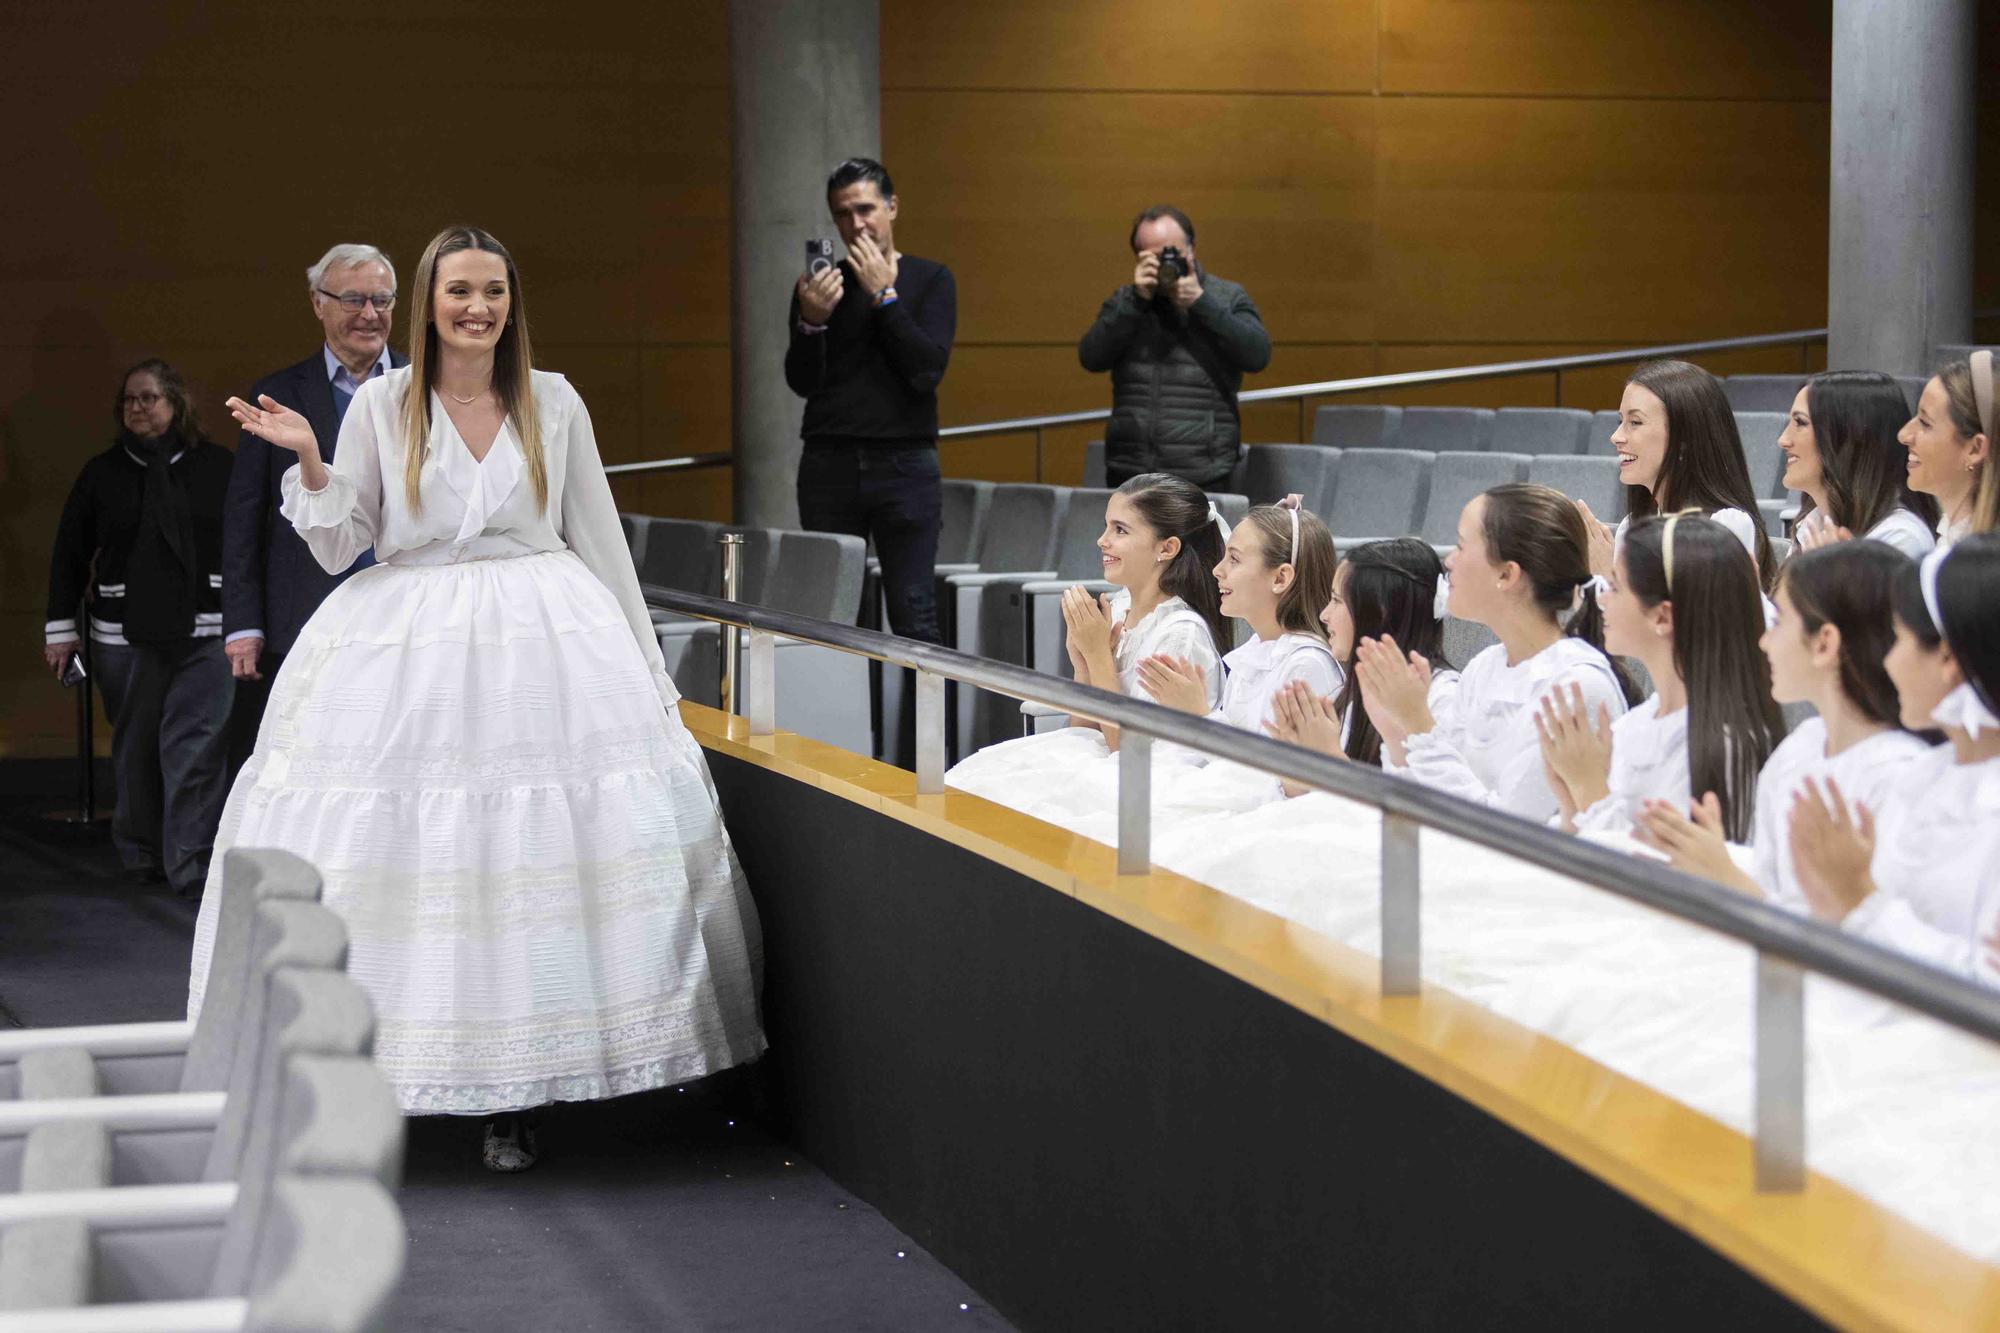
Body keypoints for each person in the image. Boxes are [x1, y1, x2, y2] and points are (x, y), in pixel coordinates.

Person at [189, 226, 765, 1172]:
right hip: (405, 652)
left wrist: (651, 669)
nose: (477, 308)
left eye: (493, 291)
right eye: (459, 290)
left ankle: (520, 1096)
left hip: (545, 646)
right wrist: (309, 459)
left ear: (511, 302)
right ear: (429, 300)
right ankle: (390, 1076)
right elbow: (342, 543)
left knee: (527, 860)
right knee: (411, 860)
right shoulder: (380, 403)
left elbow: (600, 540)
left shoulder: (553, 400)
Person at [1635, 541, 1933, 906]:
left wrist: (1725, 876)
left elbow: (1873, 938)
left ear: (1824, 643)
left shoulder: (1900, 777)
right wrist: (1710, 861)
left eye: (1778, 621)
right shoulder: (1802, 745)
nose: (1763, 641)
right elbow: (1770, 885)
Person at [44, 359, 234, 895]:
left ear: (176, 403)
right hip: (122, 637)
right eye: (129, 400)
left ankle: (191, 862)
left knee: (196, 748)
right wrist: (61, 629)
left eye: (149, 398)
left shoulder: (217, 467)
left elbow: (247, 542)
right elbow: (69, 555)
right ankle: (139, 852)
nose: (138, 408)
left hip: (208, 630)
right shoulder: (102, 474)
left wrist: (249, 620)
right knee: (135, 747)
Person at [222, 243, 407, 773]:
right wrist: (243, 622)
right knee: (308, 762)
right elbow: (245, 517)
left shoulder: (428, 388)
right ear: (317, 303)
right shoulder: (278, 394)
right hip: (304, 612)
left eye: (382, 299)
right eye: (353, 299)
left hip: (407, 616)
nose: (370, 314)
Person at [943, 474, 1227, 811]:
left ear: (1166, 548)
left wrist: (1097, 656)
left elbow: (1132, 753)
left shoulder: (1179, 634)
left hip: (1146, 786)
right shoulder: (1119, 605)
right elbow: (1083, 730)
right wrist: (1084, 669)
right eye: (1107, 527)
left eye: (1120, 530)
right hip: (1105, 762)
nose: (1101, 541)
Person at [1785, 537, 2000, 983]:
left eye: (1898, 639)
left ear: (1946, 658)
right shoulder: (1924, 776)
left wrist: (1861, 900)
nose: (1888, 660)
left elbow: (1982, 987)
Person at [1361, 483, 1636, 821]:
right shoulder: (1483, 667)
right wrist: (1397, 733)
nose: (1449, 561)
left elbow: (1504, 832)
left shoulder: (1576, 687)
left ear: (1507, 574)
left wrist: (1418, 726)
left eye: (1462, 546)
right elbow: (1428, 801)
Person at [787, 157, 956, 645]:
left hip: (904, 466)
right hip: (828, 465)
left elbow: (926, 371)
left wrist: (885, 297)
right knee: (837, 620)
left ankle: (922, 726)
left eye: (865, 208)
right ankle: (845, 725)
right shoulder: (822, 287)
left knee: (914, 617)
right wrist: (811, 322)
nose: (855, 223)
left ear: (892, 207)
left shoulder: (931, 280)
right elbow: (801, 381)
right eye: (843, 213)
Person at [1537, 512, 1782, 837]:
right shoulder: (1635, 725)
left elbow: (1658, 875)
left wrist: (1588, 791)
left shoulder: (1723, 745)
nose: (1602, 598)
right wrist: (1570, 803)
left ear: (1662, 617)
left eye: (1614, 586)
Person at [1078, 205, 1272, 487]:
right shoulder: (1126, 301)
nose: (1165, 263)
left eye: (1171, 253)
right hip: (1131, 471)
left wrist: (1200, 303)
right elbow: (1090, 357)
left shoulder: (1225, 297)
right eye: (1153, 256)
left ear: (1191, 249)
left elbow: (1258, 355)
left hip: (1203, 471)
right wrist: (1136, 302)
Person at [1266, 537, 1461, 776]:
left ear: (1381, 611)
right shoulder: (1357, 690)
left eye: (1337, 600)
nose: (1325, 615)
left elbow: (1419, 805)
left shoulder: (1444, 699)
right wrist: (1294, 765)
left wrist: (1328, 762)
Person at [1577, 359, 1774, 586]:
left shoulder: (1726, 527)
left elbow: (1700, 620)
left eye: (1635, 422)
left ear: (1684, 438)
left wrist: (1607, 579)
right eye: (1621, 421)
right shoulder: (1631, 528)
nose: (1616, 436)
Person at [1782, 370, 1939, 558]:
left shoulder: (1901, 537)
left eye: (1800, 422)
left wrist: (1827, 571)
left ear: (1850, 437)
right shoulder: (1812, 523)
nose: (1783, 440)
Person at [1900, 351, 1996, 548]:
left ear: (1975, 449)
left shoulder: (1980, 562)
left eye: (1925, 423)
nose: (1903, 435)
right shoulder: (1953, 539)